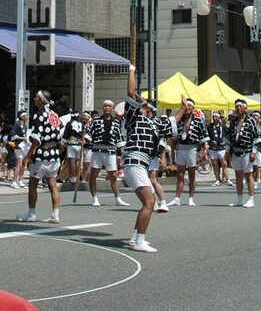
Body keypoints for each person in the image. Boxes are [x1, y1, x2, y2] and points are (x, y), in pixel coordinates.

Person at [121, 65, 184, 252]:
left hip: (143, 164)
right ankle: (139, 240)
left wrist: (183, 106)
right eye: (144, 103)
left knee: (149, 202)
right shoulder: (134, 117)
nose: (145, 105)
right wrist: (132, 70)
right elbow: (131, 92)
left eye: (147, 104)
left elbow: (174, 122)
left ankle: (135, 238)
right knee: (149, 202)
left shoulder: (155, 123)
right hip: (134, 161)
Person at [17, 89, 61, 224]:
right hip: (54, 154)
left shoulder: (39, 115)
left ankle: (31, 213)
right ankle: (55, 214)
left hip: (42, 154)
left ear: (42, 99)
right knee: (52, 185)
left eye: (36, 97)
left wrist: (28, 156)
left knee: (32, 184)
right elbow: (58, 137)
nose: (34, 99)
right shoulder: (54, 114)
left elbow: (36, 139)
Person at [87, 100, 129, 208]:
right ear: (102, 108)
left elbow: (118, 138)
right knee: (93, 175)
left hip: (111, 151)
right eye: (105, 106)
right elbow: (89, 134)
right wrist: (86, 141)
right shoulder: (95, 121)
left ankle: (118, 198)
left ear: (112, 108)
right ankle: (94, 198)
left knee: (113, 176)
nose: (106, 108)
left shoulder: (116, 122)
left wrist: (119, 154)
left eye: (109, 106)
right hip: (97, 150)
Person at [168, 98, 209, 207]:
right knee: (180, 174)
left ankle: (191, 198)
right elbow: (174, 137)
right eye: (186, 106)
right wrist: (172, 150)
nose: (187, 108)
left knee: (191, 174)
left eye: (189, 106)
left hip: (192, 148)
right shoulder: (179, 120)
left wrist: (203, 150)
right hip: (181, 148)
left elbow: (204, 137)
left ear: (193, 108)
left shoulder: (198, 120)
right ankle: (177, 198)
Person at [226, 98, 261, 208]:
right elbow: (228, 137)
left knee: (248, 175)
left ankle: (251, 199)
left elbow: (256, 137)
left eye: (240, 106)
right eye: (236, 106)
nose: (238, 108)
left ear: (245, 108)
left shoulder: (251, 121)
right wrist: (227, 151)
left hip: (247, 151)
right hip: (236, 151)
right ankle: (239, 198)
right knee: (238, 176)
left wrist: (254, 152)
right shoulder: (233, 121)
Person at [207, 111, 230, 187]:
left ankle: (228, 179)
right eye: (213, 117)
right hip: (212, 147)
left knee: (224, 163)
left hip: (221, 147)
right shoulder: (209, 126)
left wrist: (225, 143)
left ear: (219, 118)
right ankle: (217, 179)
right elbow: (206, 135)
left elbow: (227, 134)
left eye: (216, 116)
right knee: (215, 164)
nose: (214, 118)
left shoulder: (223, 126)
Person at [9, 111, 31, 188]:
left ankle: (20, 180)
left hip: (24, 146)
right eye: (26, 115)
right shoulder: (17, 124)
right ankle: (14, 181)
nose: (27, 117)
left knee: (23, 163)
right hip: (19, 146)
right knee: (19, 163)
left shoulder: (25, 126)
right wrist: (22, 138)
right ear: (22, 117)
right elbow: (12, 134)